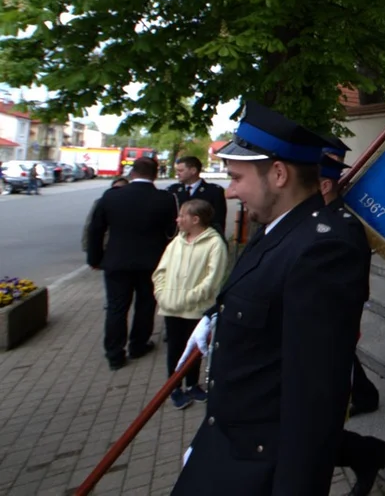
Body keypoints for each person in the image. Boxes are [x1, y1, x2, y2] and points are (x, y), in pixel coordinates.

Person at [171, 102, 367, 496]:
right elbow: (257, 289)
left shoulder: (323, 248)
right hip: (228, 437)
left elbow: (313, 399)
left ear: (278, 173)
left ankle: (364, 454)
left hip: (261, 462)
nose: (229, 191)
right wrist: (215, 317)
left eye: (237, 178)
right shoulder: (275, 227)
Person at [318, 152, 385, 496]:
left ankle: (366, 452)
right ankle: (365, 400)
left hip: (329, 320)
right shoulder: (313, 216)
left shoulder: (344, 223)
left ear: (324, 184)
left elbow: (350, 282)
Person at [87, 158, 178, 370]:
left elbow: (96, 230)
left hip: (116, 262)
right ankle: (138, 345)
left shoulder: (111, 197)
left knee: (116, 307)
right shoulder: (165, 199)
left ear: (132, 173)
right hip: (152, 262)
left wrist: (95, 259)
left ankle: (114, 354)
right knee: (146, 305)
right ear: (155, 175)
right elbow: (172, 232)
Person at [152, 199, 229, 410]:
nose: (177, 219)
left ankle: (192, 384)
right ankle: (174, 387)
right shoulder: (176, 242)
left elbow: (212, 280)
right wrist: (162, 295)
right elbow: (161, 272)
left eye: (182, 216)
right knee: (175, 350)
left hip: (196, 309)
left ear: (195, 219)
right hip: (171, 307)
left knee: (194, 348)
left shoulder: (215, 244)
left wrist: (187, 298)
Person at [167, 156, 229, 235]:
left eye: (181, 170)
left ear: (193, 170)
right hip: (178, 238)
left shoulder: (214, 191)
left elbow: (218, 220)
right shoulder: (173, 190)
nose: (177, 174)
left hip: (204, 238)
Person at [81, 177, 129, 254]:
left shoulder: (132, 205)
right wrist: (87, 246)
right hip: (105, 247)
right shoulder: (101, 202)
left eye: (122, 189)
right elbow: (90, 225)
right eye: (116, 188)